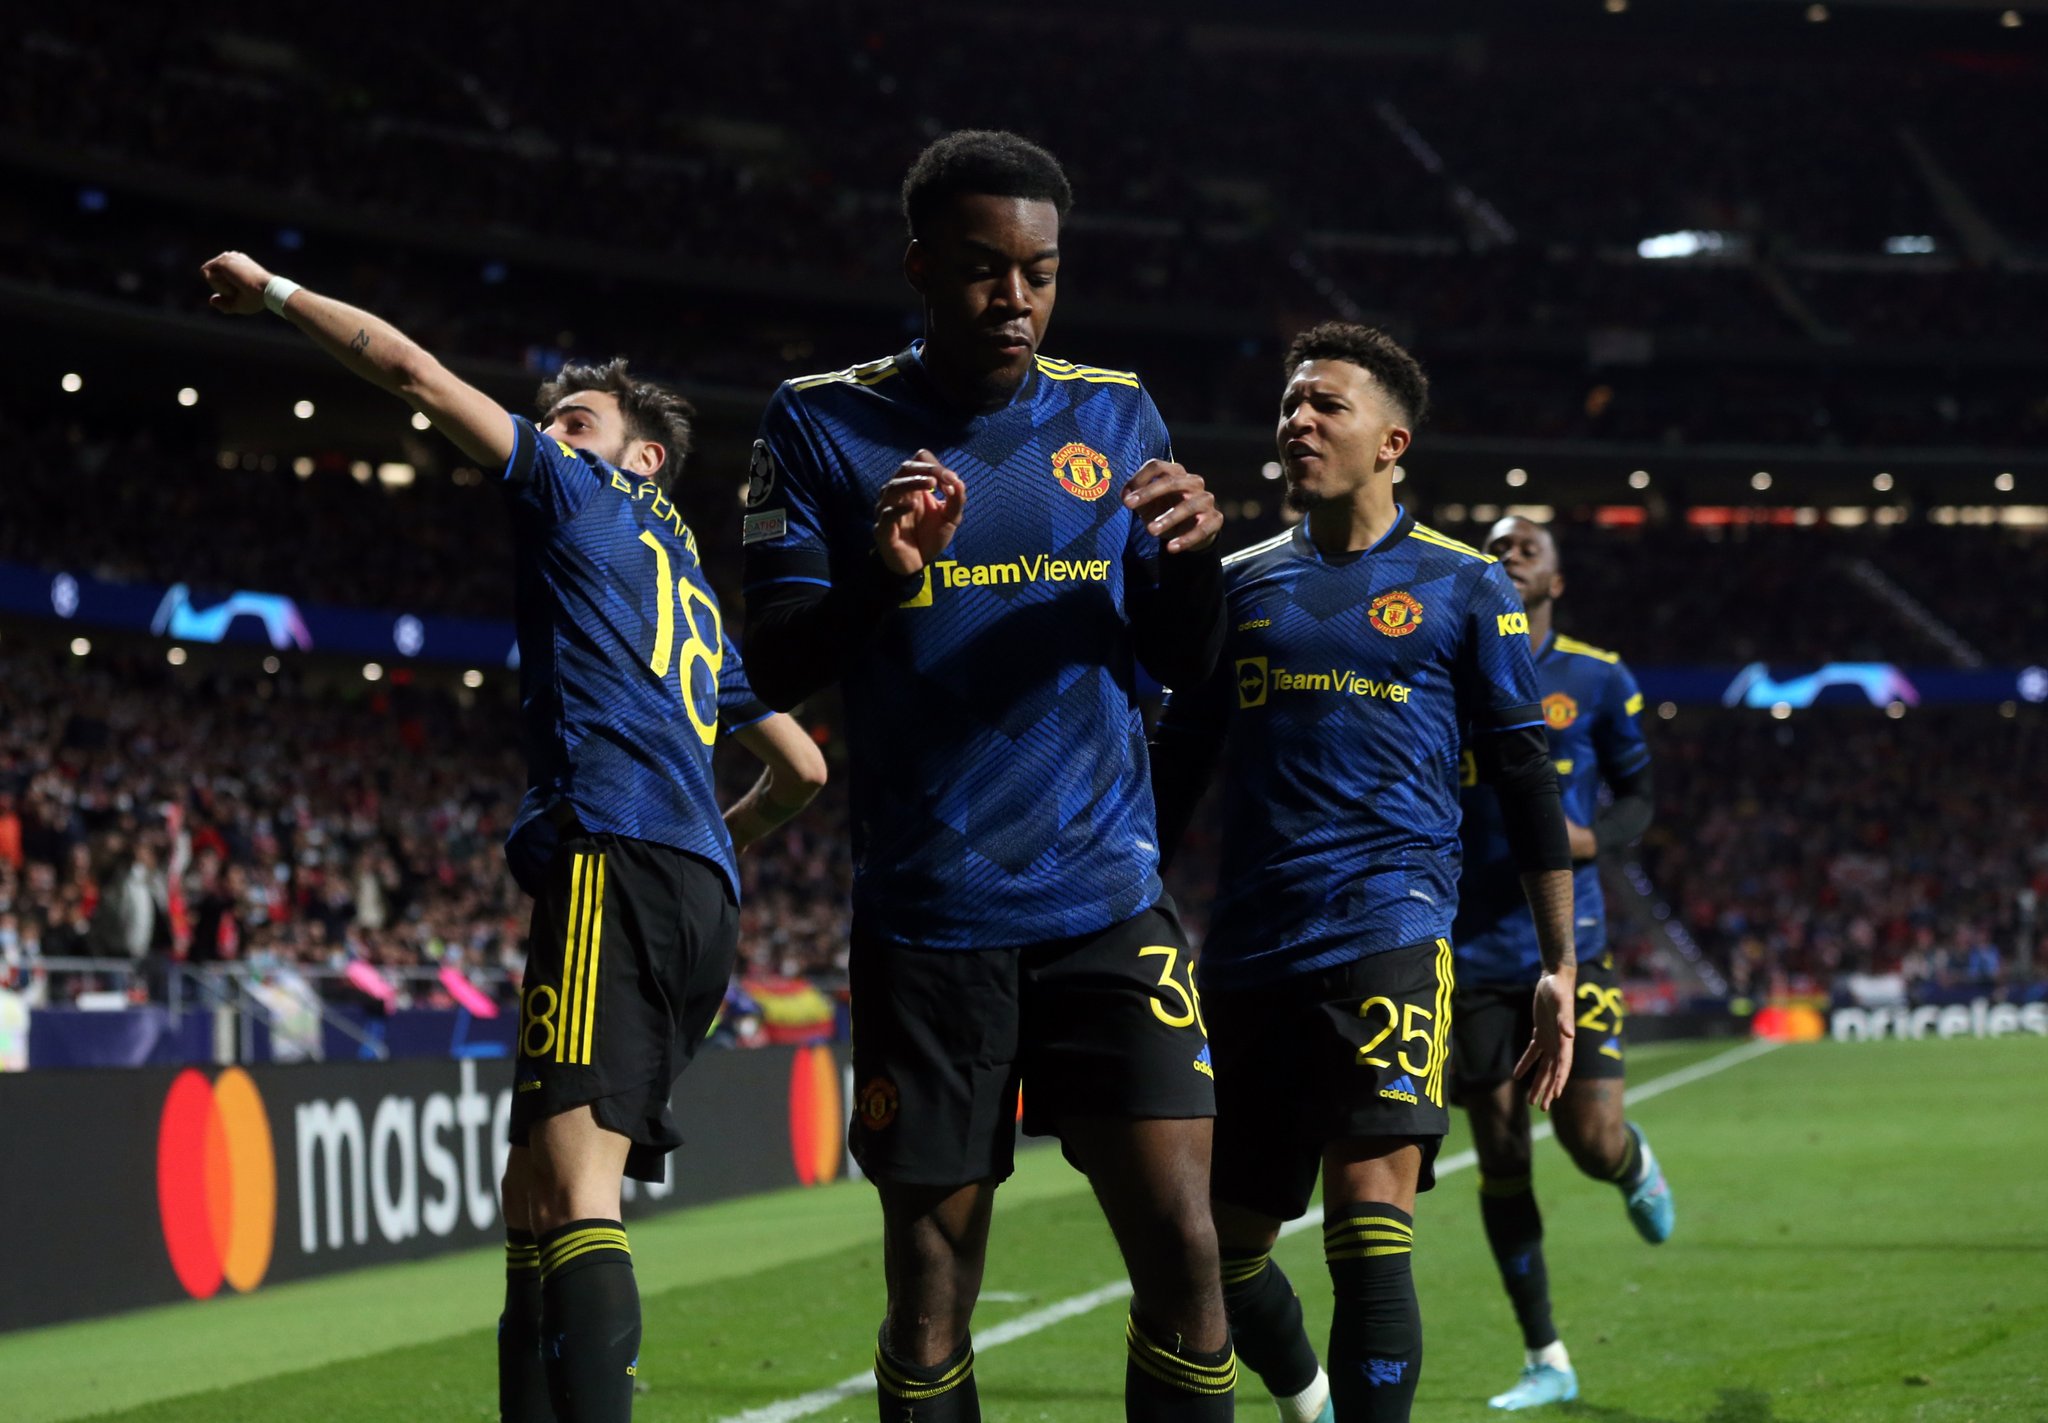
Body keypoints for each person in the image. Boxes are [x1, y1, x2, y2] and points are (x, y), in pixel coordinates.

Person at [200, 250, 827, 1423]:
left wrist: (275, 292)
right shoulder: (693, 592)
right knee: (532, 1185)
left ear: (643, 456)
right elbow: (802, 769)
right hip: (694, 892)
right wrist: (716, 843)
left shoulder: (580, 493)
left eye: (577, 420)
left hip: (614, 860)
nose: (551, 431)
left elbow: (414, 374)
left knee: (577, 1185)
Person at [740, 130, 1235, 1423]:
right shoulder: (819, 421)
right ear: (919, 267)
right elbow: (772, 660)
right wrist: (881, 575)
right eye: (981, 269)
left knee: (1187, 1250)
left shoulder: (1115, 413)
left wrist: (1194, 567)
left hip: (1104, 901)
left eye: (1040, 273)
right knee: (928, 1295)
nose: (1015, 299)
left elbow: (1184, 659)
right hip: (930, 919)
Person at [1151, 323, 1578, 1423]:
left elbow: (1526, 780)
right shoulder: (1238, 585)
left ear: (1391, 442)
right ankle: (1307, 1394)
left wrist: (1558, 965)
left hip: (1391, 930)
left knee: (1368, 1226)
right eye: (1289, 404)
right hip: (1247, 952)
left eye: (1325, 404)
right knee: (1223, 1253)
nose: (1296, 420)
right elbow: (1172, 774)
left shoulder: (1463, 585)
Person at [1449, 515, 1672, 1412]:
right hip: (1468, 952)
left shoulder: (1598, 676)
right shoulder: (1447, 663)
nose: (1507, 554)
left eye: (1527, 548)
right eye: (1496, 545)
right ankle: (1547, 1354)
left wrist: (1590, 838)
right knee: (1501, 1151)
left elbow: (1640, 796)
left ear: (1555, 582)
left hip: (1569, 947)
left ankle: (1631, 1163)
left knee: (1589, 1140)